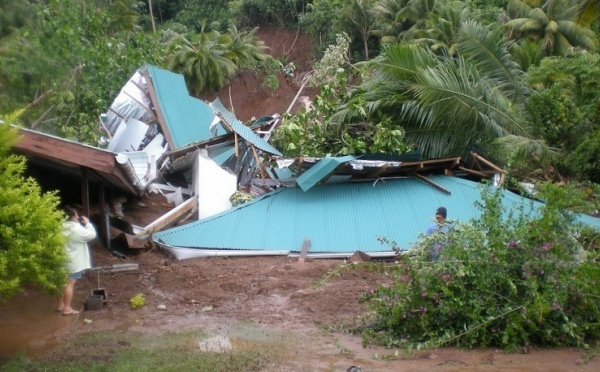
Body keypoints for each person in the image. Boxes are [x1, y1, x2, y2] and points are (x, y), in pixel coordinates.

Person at [57, 206, 96, 315]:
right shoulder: (77, 229)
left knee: (59, 283)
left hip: (60, 260)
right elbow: (92, 235)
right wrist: (88, 224)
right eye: (76, 215)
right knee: (69, 284)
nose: (78, 216)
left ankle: (60, 305)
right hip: (73, 261)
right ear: (73, 217)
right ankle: (67, 309)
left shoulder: (58, 227)